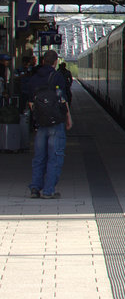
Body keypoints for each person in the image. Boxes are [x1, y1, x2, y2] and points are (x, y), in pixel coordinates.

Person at [22, 50, 73, 199]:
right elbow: (63, 100)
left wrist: (39, 117)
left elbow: (31, 102)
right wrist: (68, 117)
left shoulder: (34, 79)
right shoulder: (57, 77)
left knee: (39, 157)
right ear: (55, 61)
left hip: (41, 123)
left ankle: (35, 188)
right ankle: (49, 190)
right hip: (56, 122)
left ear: (43, 61)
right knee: (55, 156)